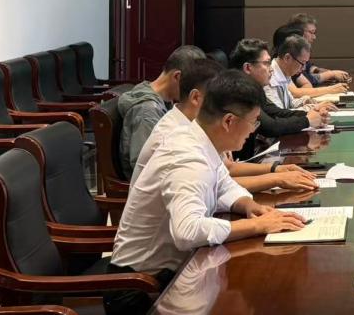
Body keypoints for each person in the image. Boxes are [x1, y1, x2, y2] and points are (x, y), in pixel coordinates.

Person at [106, 71, 306, 315]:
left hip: (178, 273)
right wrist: (257, 225)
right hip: (141, 289)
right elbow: (188, 231)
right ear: (229, 121)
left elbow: (224, 184)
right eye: (254, 121)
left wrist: (248, 205)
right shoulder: (186, 157)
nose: (254, 130)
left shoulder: (199, 140)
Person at [131, 50, 318, 193]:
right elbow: (193, 222)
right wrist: (276, 178)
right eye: (216, 98)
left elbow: (224, 173)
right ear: (196, 97)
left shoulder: (193, 127)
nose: (220, 106)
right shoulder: (175, 136)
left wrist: (276, 170)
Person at [229, 38, 329, 157]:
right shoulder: (238, 92)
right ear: (248, 68)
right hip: (242, 161)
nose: (271, 68)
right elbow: (271, 127)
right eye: (266, 63)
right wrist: (307, 121)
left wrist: (312, 114)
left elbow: (276, 112)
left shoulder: (254, 89)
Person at [117, 45, 203, 178]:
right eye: (192, 85)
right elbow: (146, 167)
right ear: (177, 76)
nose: (193, 92)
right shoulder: (147, 111)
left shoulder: (163, 100)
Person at [269, 24, 349, 103]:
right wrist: (330, 89)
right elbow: (294, 94)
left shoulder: (287, 68)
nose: (302, 68)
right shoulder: (272, 73)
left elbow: (292, 100)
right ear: (287, 57)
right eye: (302, 63)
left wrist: (307, 104)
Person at [287, 12, 351, 85]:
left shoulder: (300, 50)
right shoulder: (290, 51)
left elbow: (307, 66)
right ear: (298, 32)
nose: (314, 37)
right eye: (311, 32)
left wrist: (318, 70)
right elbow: (307, 79)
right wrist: (331, 74)